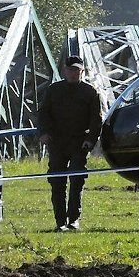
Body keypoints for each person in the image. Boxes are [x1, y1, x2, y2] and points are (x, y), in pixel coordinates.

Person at [38, 55, 102, 232]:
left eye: (77, 70)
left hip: (79, 142)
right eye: (71, 69)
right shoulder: (53, 90)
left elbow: (96, 120)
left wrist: (90, 140)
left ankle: (74, 220)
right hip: (56, 142)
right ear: (64, 71)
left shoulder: (90, 92)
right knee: (57, 182)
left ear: (82, 71)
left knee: (77, 180)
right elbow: (43, 113)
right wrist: (43, 133)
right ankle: (60, 221)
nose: (74, 73)